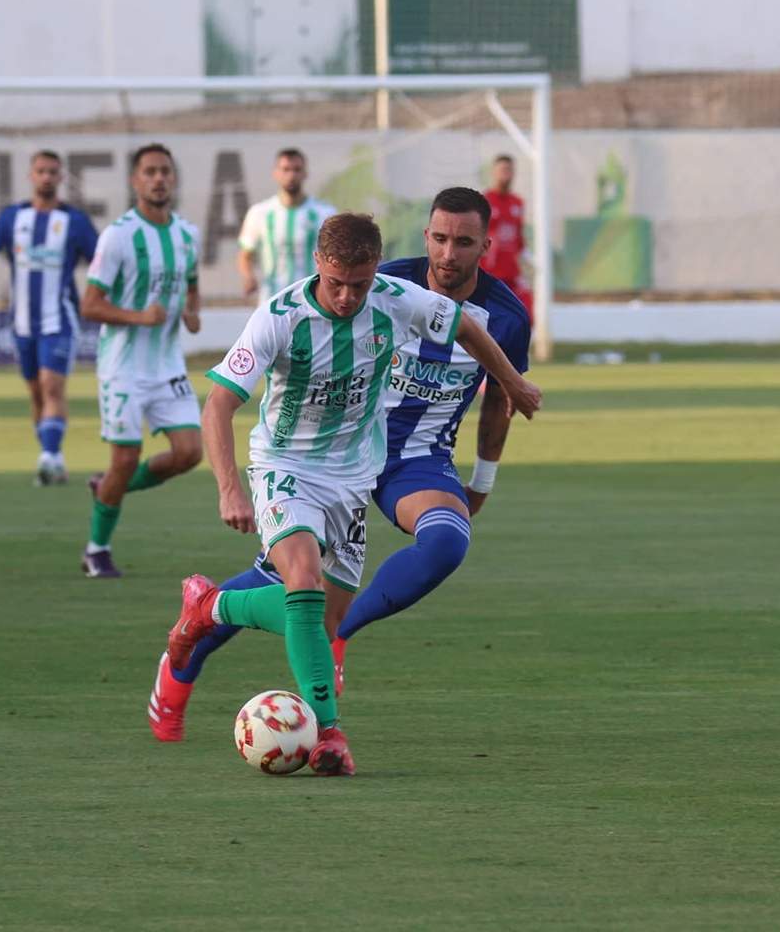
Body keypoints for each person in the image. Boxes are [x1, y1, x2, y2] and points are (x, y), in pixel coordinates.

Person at [153, 212, 541, 775]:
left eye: (358, 284)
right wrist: (230, 488)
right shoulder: (279, 317)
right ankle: (329, 734)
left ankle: (207, 607)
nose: (346, 296)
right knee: (303, 584)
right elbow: (218, 404)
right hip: (286, 467)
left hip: (352, 477)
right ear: (317, 263)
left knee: (320, 619)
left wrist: (511, 381)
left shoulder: (395, 299)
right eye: (335, 283)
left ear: (375, 271)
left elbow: (464, 327)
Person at [77, 143, 203, 579]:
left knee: (190, 452)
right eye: (149, 172)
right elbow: (89, 304)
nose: (158, 179)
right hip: (123, 367)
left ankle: (109, 488)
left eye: (165, 171)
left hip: (167, 365)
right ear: (135, 181)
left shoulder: (188, 234)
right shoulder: (118, 236)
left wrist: (191, 310)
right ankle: (97, 549)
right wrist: (137, 316)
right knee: (125, 459)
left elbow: (190, 282)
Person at [0, 150, 98, 485]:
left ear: (61, 177)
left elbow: (100, 261)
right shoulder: (12, 217)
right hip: (21, 323)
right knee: (37, 393)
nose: (47, 177)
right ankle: (54, 459)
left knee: (53, 386)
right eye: (41, 171)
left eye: (53, 172)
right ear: (31, 176)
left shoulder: (76, 222)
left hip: (59, 319)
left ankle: (48, 456)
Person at [237, 148, 337, 302]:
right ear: (275, 173)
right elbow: (245, 255)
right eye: (285, 169)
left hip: (312, 298)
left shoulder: (324, 213)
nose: (291, 175)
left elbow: (336, 255)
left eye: (297, 170)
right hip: (271, 299)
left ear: (305, 173)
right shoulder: (260, 212)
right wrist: (249, 277)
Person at [481, 154, 533, 318]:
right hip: (489, 272)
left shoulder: (517, 203)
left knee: (527, 312)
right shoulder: (484, 201)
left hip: (512, 272)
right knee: (490, 317)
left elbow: (518, 236)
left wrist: (528, 257)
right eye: (503, 170)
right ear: (493, 172)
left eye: (509, 170)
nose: (506, 174)